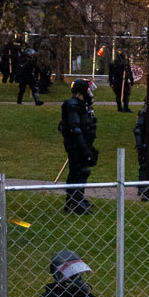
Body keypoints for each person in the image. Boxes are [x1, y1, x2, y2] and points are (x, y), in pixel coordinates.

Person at [58, 79, 98, 214]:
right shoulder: (73, 106)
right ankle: (75, 202)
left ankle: (75, 199)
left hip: (82, 143)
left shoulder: (82, 105)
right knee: (80, 171)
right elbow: (74, 128)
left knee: (78, 171)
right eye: (87, 90)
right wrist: (84, 149)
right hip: (76, 145)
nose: (89, 93)